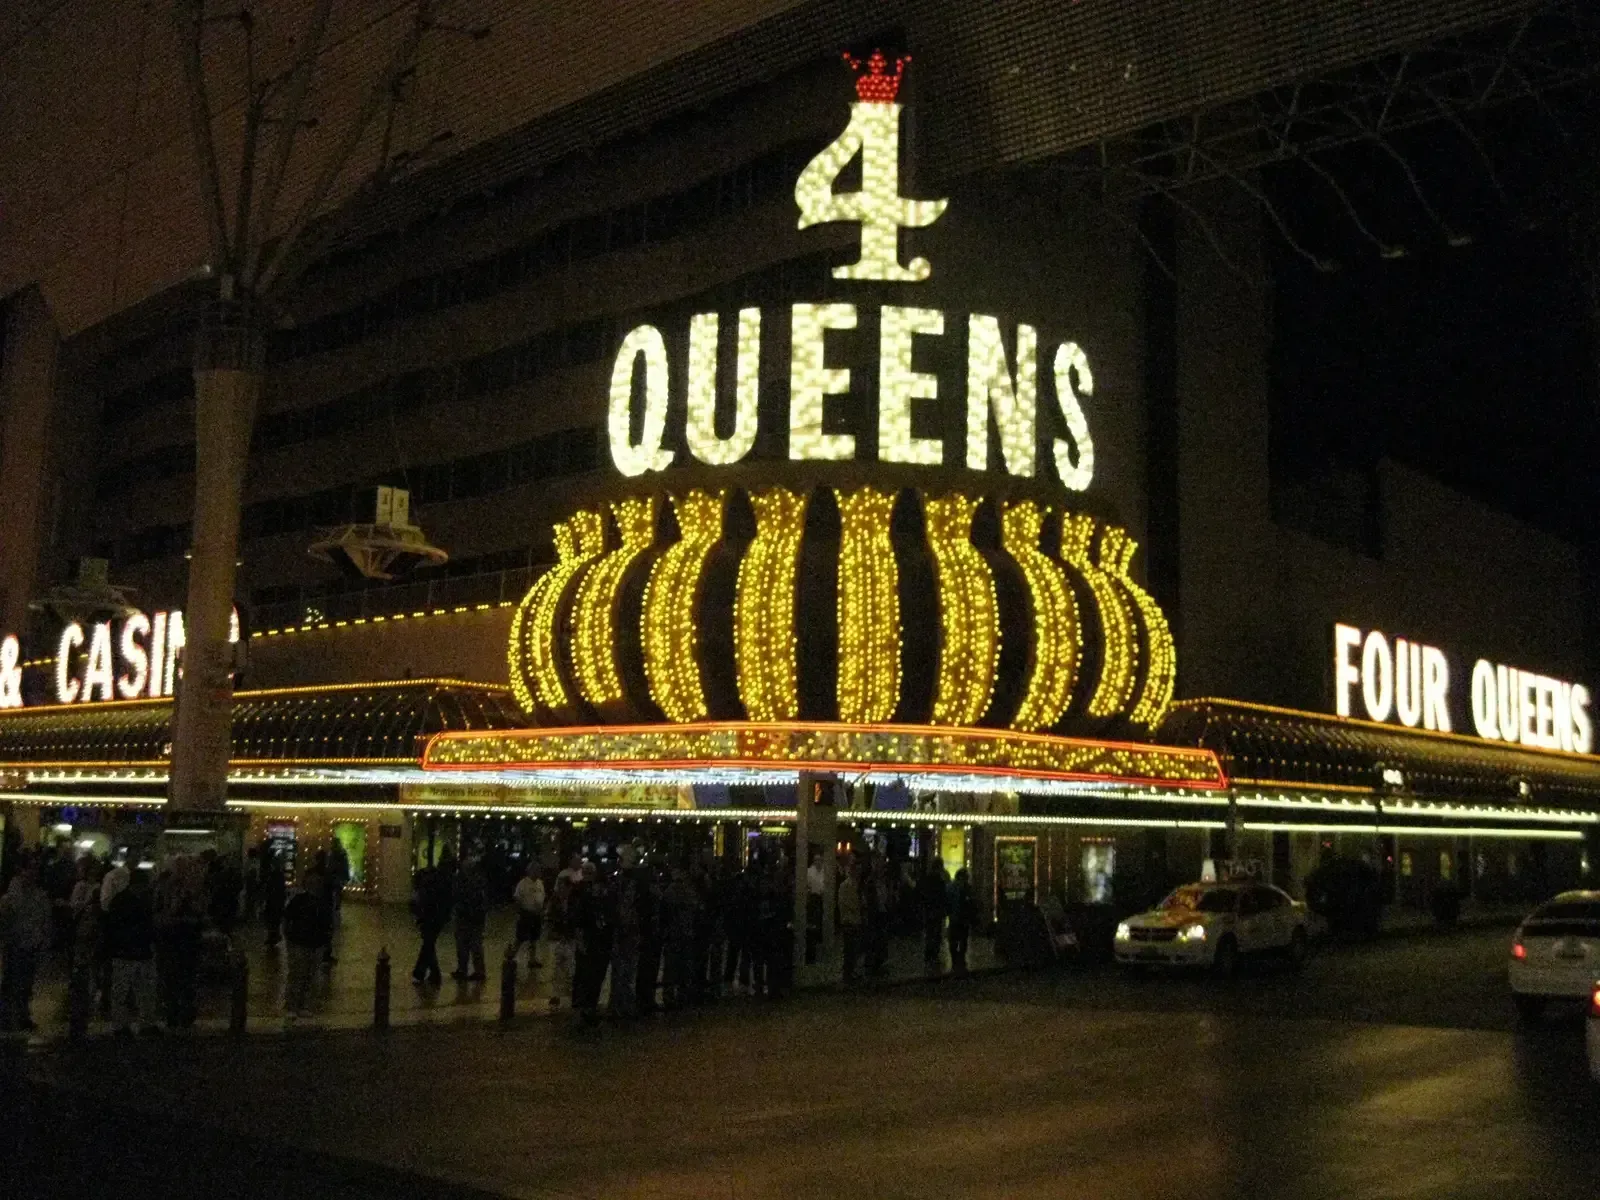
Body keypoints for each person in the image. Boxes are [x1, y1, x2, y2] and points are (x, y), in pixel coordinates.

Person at [103, 866, 160, 1035]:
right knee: (139, 990)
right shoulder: (138, 901)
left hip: (127, 951)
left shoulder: (121, 901)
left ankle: (123, 1025)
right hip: (133, 951)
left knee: (126, 991)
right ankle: (141, 1024)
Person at [0, 855, 52, 1032]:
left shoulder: (39, 894)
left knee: (25, 982)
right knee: (13, 982)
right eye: (29, 869)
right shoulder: (13, 896)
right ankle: (9, 1016)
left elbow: (45, 920)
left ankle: (20, 1015)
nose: (32, 873)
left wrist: (43, 938)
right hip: (17, 944)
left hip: (30, 944)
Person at [569, 862, 613, 1025]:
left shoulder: (601, 899)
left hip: (599, 943)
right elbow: (578, 921)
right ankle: (582, 1006)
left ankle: (589, 1006)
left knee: (595, 976)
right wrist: (580, 941)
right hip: (589, 942)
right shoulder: (582, 894)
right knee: (584, 975)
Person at [281, 875, 324, 1019]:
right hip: (302, 942)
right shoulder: (303, 901)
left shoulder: (315, 902)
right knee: (299, 974)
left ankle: (300, 1005)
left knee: (306, 975)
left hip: (310, 942)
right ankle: (294, 1005)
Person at [410, 859, 451, 985]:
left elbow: (420, 901)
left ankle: (423, 972)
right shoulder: (443, 881)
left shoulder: (428, 882)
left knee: (428, 944)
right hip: (436, 917)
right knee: (429, 944)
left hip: (428, 917)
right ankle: (432, 973)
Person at [451, 853, 488, 981]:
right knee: (472, 945)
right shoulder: (478, 880)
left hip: (467, 916)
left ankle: (466, 969)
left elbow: (457, 896)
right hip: (474, 916)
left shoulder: (463, 880)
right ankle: (475, 970)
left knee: (466, 945)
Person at [511, 862, 545, 970]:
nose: (538, 872)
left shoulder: (540, 883)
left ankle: (532, 959)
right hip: (526, 913)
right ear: (530, 871)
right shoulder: (523, 883)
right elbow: (517, 898)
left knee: (534, 938)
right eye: (535, 870)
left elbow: (542, 896)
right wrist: (519, 913)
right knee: (520, 938)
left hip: (536, 914)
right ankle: (511, 956)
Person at [920, 857, 950, 972]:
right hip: (937, 911)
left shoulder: (928, 879)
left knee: (930, 934)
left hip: (929, 911)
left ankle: (929, 956)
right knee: (936, 934)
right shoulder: (940, 879)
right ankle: (933, 957)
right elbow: (943, 895)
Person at [837, 858, 863, 984]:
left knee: (854, 949)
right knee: (849, 949)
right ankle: (848, 973)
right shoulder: (846, 886)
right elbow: (845, 903)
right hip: (849, 921)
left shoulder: (855, 885)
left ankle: (851, 972)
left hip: (854, 920)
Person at [948, 868, 977, 978]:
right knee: (962, 939)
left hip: (956, 917)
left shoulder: (951, 886)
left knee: (955, 940)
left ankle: (956, 959)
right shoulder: (966, 888)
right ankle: (960, 959)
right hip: (962, 918)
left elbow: (948, 901)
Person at [261, 848, 286, 948]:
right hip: (277, 899)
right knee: (274, 918)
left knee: (272, 918)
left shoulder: (273, 874)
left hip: (273, 899)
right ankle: (274, 935)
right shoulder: (278, 874)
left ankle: (273, 935)